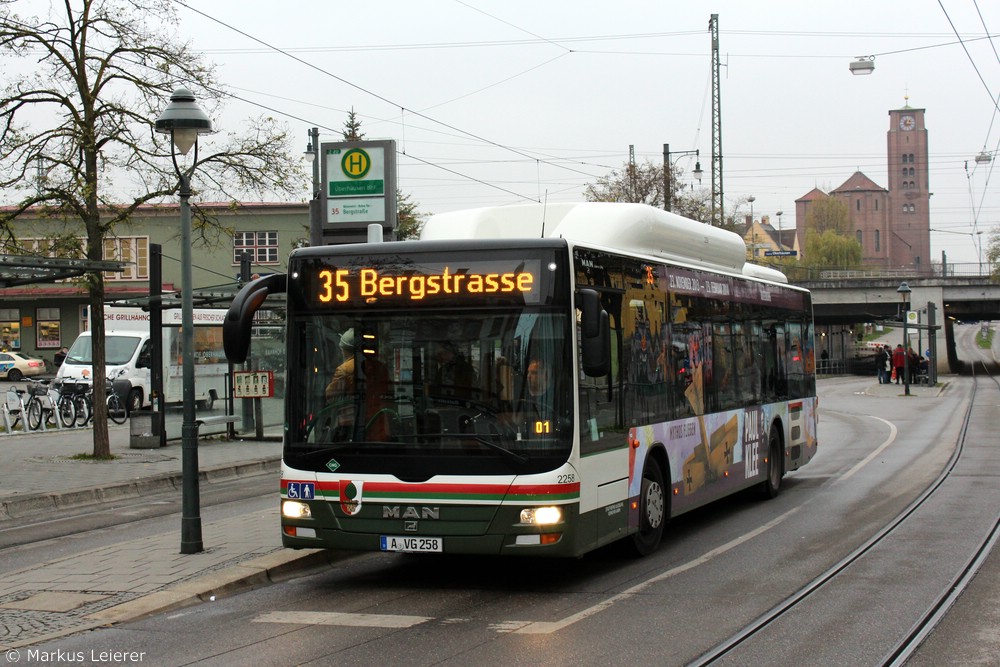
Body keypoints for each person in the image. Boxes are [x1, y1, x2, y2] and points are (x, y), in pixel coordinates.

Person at [324, 329, 390, 441]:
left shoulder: (344, 370)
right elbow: (386, 391)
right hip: (378, 425)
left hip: (351, 426)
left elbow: (330, 396)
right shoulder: (380, 367)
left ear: (345, 350)